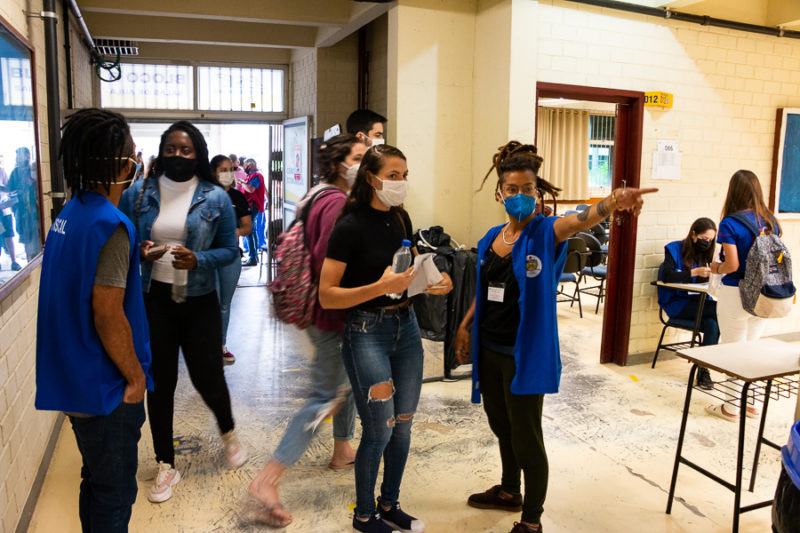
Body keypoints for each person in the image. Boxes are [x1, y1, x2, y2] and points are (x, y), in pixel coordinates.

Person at [454, 141, 656, 533]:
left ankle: (532, 520)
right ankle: (510, 491)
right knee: (501, 424)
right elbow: (485, 287)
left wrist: (614, 200)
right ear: (500, 193)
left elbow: (581, 219)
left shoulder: (546, 231)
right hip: (490, 349)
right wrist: (465, 325)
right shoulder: (491, 237)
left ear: (537, 193)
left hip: (523, 353)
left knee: (527, 436)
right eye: (512, 189)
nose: (520, 196)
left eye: (528, 189)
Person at [318, 144, 453, 533]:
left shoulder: (401, 218)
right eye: (393, 176)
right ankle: (364, 515)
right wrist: (378, 287)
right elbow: (328, 294)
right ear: (371, 178)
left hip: (405, 329)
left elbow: (402, 278)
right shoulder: (348, 227)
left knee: (404, 424)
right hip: (365, 332)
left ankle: (390, 504)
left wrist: (430, 282)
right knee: (379, 428)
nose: (401, 183)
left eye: (405, 175)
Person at [35, 108, 153, 531]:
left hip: (72, 378)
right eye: (133, 154)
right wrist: (135, 378)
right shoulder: (111, 225)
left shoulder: (70, 215)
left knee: (95, 480)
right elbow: (107, 314)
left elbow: (84, 281)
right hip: (105, 386)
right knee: (115, 493)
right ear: (125, 165)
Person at [120, 120, 245, 504]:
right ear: (161, 151)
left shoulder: (216, 198)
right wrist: (139, 251)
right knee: (160, 383)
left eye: (186, 150)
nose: (178, 156)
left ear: (198, 154)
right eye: (171, 149)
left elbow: (231, 250)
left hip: (199, 300)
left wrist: (200, 259)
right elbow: (121, 241)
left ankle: (227, 430)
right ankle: (165, 463)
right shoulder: (137, 193)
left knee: (208, 377)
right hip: (152, 298)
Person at [248, 134, 367, 527]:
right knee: (323, 398)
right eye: (358, 157)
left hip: (323, 315)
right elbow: (329, 264)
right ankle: (268, 479)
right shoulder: (335, 203)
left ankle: (341, 450)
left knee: (341, 388)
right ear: (338, 163)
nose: (364, 164)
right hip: (331, 316)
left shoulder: (317, 194)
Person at [706, 169, 781, 422]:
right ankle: (752, 404)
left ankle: (730, 408)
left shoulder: (730, 223)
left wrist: (715, 268)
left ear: (733, 192)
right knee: (752, 347)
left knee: (733, 350)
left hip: (735, 292)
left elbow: (732, 265)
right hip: (764, 293)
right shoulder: (772, 221)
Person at [657, 217, 719, 389]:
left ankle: (703, 370)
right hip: (677, 303)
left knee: (712, 324)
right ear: (693, 234)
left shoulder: (707, 254)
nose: (707, 243)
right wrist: (694, 272)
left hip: (699, 301)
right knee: (719, 311)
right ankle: (711, 363)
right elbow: (667, 276)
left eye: (710, 240)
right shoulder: (674, 249)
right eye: (704, 238)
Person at [211, 155, 252, 364]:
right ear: (213, 173)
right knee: (209, 302)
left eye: (230, 169)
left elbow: (247, 227)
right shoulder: (205, 195)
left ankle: (221, 345)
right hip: (207, 258)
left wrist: (234, 231)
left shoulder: (238, 197)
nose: (227, 174)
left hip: (230, 257)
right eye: (222, 170)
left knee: (224, 304)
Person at [6, 147, 42, 260]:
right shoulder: (15, 172)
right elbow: (9, 189)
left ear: (27, 156)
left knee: (37, 236)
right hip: (21, 211)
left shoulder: (34, 169)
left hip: (35, 210)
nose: (17, 157)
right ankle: (29, 260)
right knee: (26, 238)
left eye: (19, 155)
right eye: (17, 155)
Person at [241, 157, 266, 266]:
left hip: (253, 205)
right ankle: (254, 256)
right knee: (252, 231)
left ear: (250, 165)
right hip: (251, 205)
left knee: (249, 231)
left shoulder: (257, 175)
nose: (244, 167)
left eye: (245, 165)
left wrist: (242, 183)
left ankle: (253, 258)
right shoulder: (252, 175)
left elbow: (251, 189)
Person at [0, 160, 20, 270]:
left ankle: (14, 261)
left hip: (4, 209)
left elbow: (9, 189)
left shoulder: (1, 171)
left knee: (9, 235)